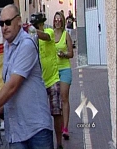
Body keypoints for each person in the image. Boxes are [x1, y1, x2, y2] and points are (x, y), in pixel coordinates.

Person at [0, 5, 53, 149]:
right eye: (1, 23)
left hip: (36, 129)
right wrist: (1, 106)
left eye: (8, 22)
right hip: (16, 131)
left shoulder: (26, 45)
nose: (4, 27)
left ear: (19, 21)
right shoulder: (7, 47)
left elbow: (12, 85)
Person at [30, 13, 63, 149]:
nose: (41, 26)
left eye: (36, 25)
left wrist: (31, 30)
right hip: (40, 82)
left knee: (56, 112)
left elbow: (46, 36)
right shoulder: (31, 40)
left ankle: (59, 142)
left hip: (53, 79)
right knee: (42, 116)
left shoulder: (48, 31)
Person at [53, 11, 74, 140]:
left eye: (60, 20)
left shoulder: (66, 35)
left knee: (64, 97)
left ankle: (65, 128)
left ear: (63, 21)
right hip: (54, 71)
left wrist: (64, 54)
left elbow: (71, 53)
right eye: (56, 20)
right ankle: (58, 127)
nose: (58, 21)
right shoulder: (50, 34)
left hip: (65, 69)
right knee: (56, 102)